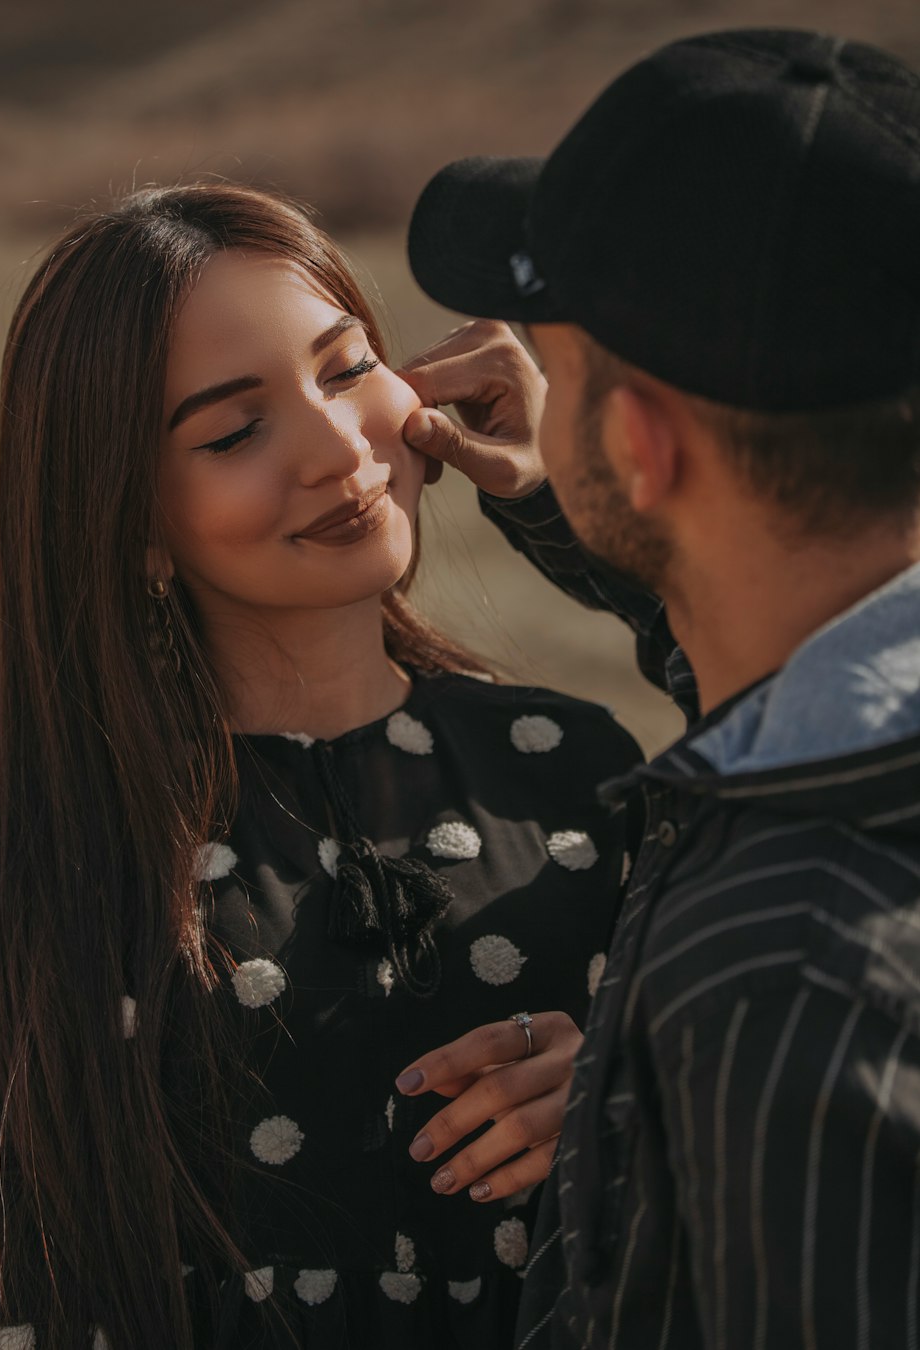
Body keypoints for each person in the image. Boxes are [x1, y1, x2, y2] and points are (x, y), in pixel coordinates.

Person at [0, 181, 643, 1350]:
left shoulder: (575, 772)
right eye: (235, 431)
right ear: (131, 517)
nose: (338, 447)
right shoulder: (37, 840)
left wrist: (627, 1107)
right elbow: (18, 1305)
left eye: (346, 371)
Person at [394, 26, 920, 1349]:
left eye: (562, 369)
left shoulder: (789, 967)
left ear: (638, 442)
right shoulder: (852, 745)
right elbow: (778, 659)